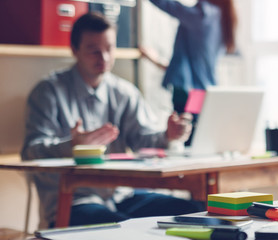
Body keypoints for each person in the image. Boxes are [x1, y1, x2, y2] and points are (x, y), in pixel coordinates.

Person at [21, 12, 202, 227]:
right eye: (94, 51)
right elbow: (31, 152)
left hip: (123, 196)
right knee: (126, 228)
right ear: (74, 50)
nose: (104, 58)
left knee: (196, 212)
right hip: (74, 201)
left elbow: (142, 139)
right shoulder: (48, 92)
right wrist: (73, 146)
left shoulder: (124, 92)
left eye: (109, 49)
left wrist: (167, 135)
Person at [142, 0, 237, 145]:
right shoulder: (222, 18)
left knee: (185, 137)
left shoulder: (202, 15)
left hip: (188, 92)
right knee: (195, 138)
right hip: (202, 91)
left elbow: (167, 4)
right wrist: (157, 61)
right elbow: (194, 62)